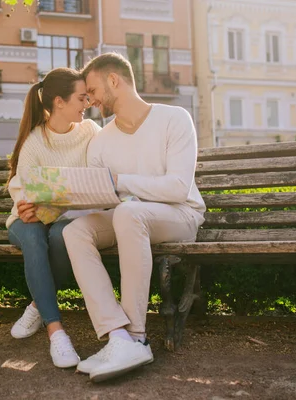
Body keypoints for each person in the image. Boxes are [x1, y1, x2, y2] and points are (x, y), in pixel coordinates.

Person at [62, 52, 206, 382]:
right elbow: (100, 201)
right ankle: (118, 335)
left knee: (128, 213)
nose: (91, 99)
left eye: (94, 90)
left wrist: (121, 182)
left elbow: (178, 188)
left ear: (114, 80)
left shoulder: (175, 118)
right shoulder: (101, 142)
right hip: (130, 218)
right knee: (77, 232)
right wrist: (54, 202)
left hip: (181, 215)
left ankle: (138, 337)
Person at [6, 67, 101, 368]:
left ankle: (37, 304)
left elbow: (97, 180)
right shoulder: (34, 142)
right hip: (28, 222)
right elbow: (23, 190)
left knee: (61, 236)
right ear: (59, 102)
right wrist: (25, 206)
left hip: (67, 220)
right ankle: (56, 332)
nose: (87, 104)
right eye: (81, 98)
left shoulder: (91, 133)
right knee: (34, 235)